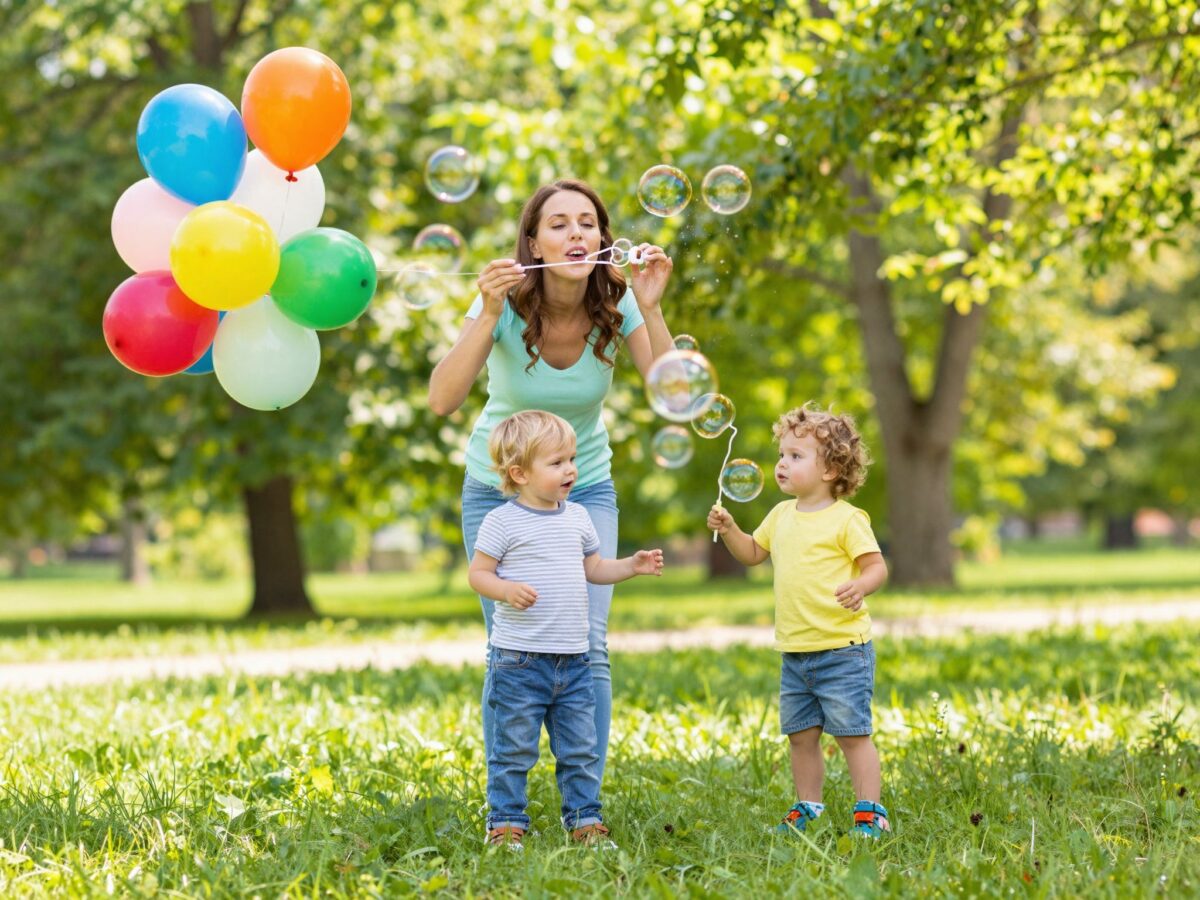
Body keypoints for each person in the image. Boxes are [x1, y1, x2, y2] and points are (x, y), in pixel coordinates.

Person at [428, 178, 675, 787]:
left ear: (603, 238)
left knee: (587, 644)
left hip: (584, 488)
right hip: (499, 490)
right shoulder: (503, 301)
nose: (576, 233)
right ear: (533, 244)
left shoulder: (620, 302)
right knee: (510, 646)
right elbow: (442, 400)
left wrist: (655, 304)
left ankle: (583, 800)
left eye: (587, 223)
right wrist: (487, 313)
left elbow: (676, 395)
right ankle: (506, 800)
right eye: (559, 223)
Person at [469, 411, 664, 849]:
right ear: (519, 473)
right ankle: (504, 823)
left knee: (580, 749)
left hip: (574, 661)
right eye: (557, 462)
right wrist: (504, 589)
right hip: (518, 661)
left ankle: (584, 821)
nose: (571, 470)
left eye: (572, 459)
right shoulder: (502, 521)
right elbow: (478, 573)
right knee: (513, 749)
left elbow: (594, 568)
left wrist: (631, 566)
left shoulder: (577, 517)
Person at [706, 403, 892, 838]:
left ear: (830, 470)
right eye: (782, 455)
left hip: (842, 650)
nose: (782, 464)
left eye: (795, 456)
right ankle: (808, 806)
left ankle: (870, 811)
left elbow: (877, 568)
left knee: (852, 734)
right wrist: (731, 528)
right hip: (795, 651)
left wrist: (861, 586)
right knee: (801, 736)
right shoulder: (779, 516)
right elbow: (753, 554)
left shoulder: (848, 520)